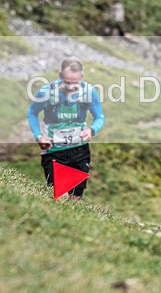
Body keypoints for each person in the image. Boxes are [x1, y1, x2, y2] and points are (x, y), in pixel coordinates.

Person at [26, 57, 105, 200]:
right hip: (53, 151)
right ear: (60, 76)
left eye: (75, 83)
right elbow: (32, 113)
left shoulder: (89, 92)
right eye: (67, 82)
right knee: (59, 197)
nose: (70, 87)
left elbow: (100, 117)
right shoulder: (46, 92)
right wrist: (39, 136)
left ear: (82, 77)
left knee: (76, 198)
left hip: (79, 150)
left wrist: (91, 130)